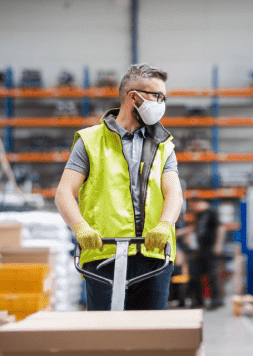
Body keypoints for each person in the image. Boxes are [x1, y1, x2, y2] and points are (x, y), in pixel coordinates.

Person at [55, 64, 183, 311]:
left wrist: (165, 224)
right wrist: (80, 227)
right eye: (157, 96)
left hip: (153, 254)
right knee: (105, 337)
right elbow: (64, 192)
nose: (162, 103)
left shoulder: (164, 145)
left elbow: (174, 193)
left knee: (149, 336)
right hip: (104, 252)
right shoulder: (90, 141)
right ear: (133, 96)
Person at [186, 199, 225, 309]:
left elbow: (221, 228)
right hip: (199, 250)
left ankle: (216, 300)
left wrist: (218, 244)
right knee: (196, 275)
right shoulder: (198, 215)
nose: (193, 207)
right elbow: (195, 230)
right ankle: (199, 301)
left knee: (212, 275)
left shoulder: (212, 213)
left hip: (210, 249)